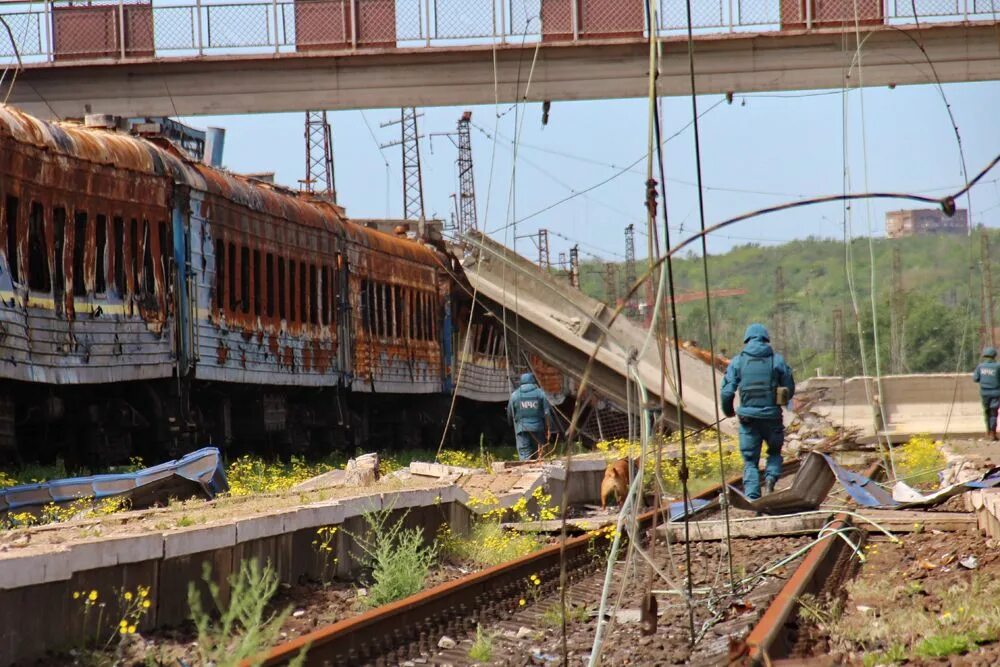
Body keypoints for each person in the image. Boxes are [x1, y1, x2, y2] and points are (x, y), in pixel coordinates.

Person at [720, 323, 796, 499]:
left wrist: (729, 411)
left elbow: (726, 391)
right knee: (774, 452)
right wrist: (780, 399)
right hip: (772, 417)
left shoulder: (738, 361)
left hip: (748, 420)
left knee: (750, 461)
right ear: (765, 339)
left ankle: (753, 497)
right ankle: (770, 480)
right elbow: (789, 389)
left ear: (747, 339)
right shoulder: (777, 360)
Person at [507, 372, 551, 461]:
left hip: (522, 429)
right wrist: (548, 427)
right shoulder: (540, 393)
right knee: (539, 453)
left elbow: (510, 413)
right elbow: (547, 413)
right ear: (533, 381)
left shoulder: (515, 395)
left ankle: (525, 471)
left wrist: (511, 424)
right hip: (538, 428)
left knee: (524, 454)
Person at [973, 346, 1000, 440]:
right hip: (996, 392)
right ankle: (993, 433)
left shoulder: (980, 366)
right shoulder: (998, 366)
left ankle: (988, 432)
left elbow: (975, 379)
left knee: (987, 412)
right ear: (994, 356)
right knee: (994, 412)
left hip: (984, 393)